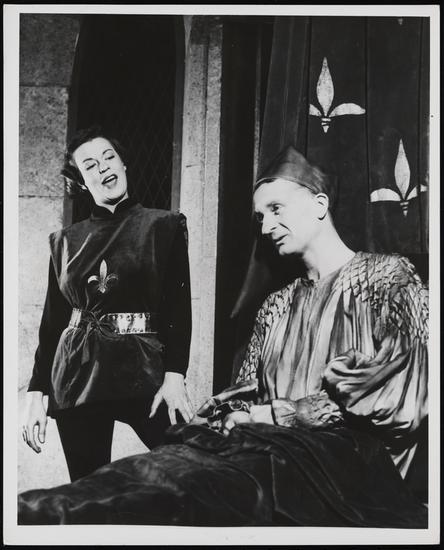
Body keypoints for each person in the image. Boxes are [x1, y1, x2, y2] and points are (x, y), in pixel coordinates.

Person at [18, 146, 428, 527]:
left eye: (276, 209)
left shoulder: (389, 278)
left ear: (320, 205)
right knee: (145, 471)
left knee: (175, 488)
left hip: (340, 467)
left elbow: (401, 390)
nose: (267, 226)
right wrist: (220, 417)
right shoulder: (277, 305)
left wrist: (276, 414)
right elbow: (245, 391)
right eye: (261, 217)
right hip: (259, 449)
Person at [21, 126, 193, 482]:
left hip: (144, 367)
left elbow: (178, 309)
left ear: (123, 164)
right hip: (77, 374)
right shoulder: (64, 242)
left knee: (189, 472)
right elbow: (53, 322)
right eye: (90, 165)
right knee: (88, 490)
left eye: (109, 157)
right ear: (81, 182)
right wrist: (36, 393)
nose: (103, 167)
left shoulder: (164, 226)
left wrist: (175, 375)